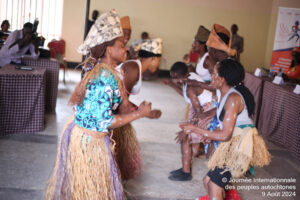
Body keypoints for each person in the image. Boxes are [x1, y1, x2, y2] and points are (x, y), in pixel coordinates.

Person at [45, 10, 153, 200]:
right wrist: (140, 114)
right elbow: (104, 121)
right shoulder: (105, 77)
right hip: (89, 141)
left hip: (85, 136)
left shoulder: (105, 72)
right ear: (109, 49)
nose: (125, 49)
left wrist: (134, 108)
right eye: (121, 45)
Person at [181, 59, 271, 200]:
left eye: (214, 73)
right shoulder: (224, 94)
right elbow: (224, 125)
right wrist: (211, 135)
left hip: (238, 148)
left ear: (222, 79)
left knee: (214, 185)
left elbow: (225, 135)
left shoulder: (233, 98)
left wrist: (195, 129)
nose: (211, 76)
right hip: (231, 145)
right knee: (208, 182)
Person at [112, 38, 163, 180]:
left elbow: (124, 100)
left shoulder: (136, 68)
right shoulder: (134, 68)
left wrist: (145, 113)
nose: (159, 64)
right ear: (153, 58)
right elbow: (122, 103)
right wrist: (142, 113)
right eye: (159, 60)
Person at [165, 61, 217, 181]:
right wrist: (172, 85)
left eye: (176, 78)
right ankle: (186, 167)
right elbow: (186, 96)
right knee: (188, 138)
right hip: (199, 108)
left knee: (186, 137)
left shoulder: (190, 87)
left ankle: (186, 172)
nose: (174, 80)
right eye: (172, 77)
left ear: (184, 75)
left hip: (205, 109)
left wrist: (188, 129)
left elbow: (199, 112)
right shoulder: (188, 77)